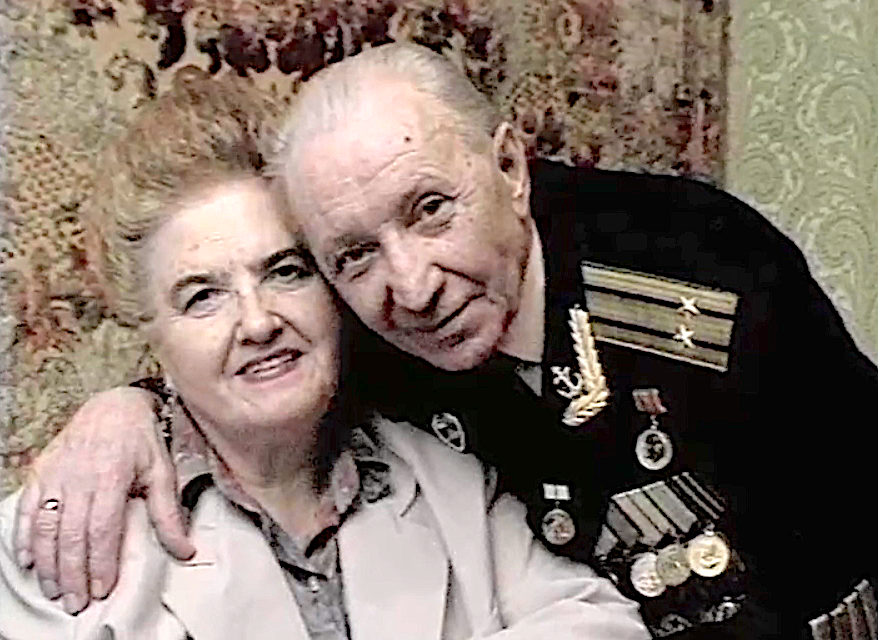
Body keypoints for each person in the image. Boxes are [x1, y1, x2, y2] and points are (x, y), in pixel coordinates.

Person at [13, 43, 878, 639]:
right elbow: (244, 350)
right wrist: (128, 405)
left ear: (509, 168)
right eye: (353, 254)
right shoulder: (361, 328)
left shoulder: (704, 270)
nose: (414, 287)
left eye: (431, 210)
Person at [0, 69, 649, 640]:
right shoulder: (58, 538)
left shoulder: (447, 475)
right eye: (203, 296)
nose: (259, 323)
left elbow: (604, 624)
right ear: (150, 334)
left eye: (285, 271)